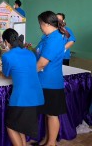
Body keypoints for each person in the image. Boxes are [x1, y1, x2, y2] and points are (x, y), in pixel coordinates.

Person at [2, 28, 44, 146]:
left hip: (22, 98)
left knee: (11, 126)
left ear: (6, 42)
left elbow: (6, 74)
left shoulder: (7, 56)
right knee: (19, 126)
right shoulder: (30, 53)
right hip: (37, 96)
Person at [34, 11, 67, 146]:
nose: (40, 27)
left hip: (51, 83)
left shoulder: (55, 39)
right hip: (43, 81)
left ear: (46, 24)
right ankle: (47, 140)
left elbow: (42, 63)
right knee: (48, 114)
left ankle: (51, 143)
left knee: (52, 115)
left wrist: (26, 74)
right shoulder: (47, 37)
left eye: (40, 24)